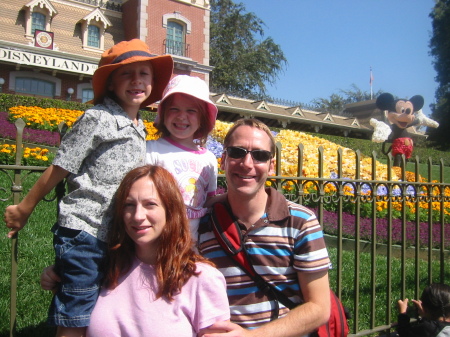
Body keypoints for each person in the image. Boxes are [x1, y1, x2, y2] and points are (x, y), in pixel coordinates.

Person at [4, 39, 173, 336]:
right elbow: (61, 166)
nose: (136, 81)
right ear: (109, 83)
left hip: (112, 233)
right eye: (126, 74)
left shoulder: (138, 126)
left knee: (96, 303)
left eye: (144, 74)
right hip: (85, 229)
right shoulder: (98, 118)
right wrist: (25, 208)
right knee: (77, 312)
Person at [42, 165, 230, 336]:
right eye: (129, 205)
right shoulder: (105, 268)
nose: (138, 216)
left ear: (170, 211)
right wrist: (61, 280)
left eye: (150, 204)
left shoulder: (201, 278)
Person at [197, 118, 332, 337]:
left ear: (271, 166)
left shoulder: (300, 222)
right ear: (223, 160)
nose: (247, 163)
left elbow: (319, 308)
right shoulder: (203, 221)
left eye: (259, 155)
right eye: (237, 152)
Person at [146, 74, 218, 241]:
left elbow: (210, 200)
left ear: (202, 118)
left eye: (191, 111)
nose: (181, 116)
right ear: (163, 113)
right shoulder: (152, 150)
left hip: (195, 242)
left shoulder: (209, 159)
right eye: (174, 109)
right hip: (159, 238)